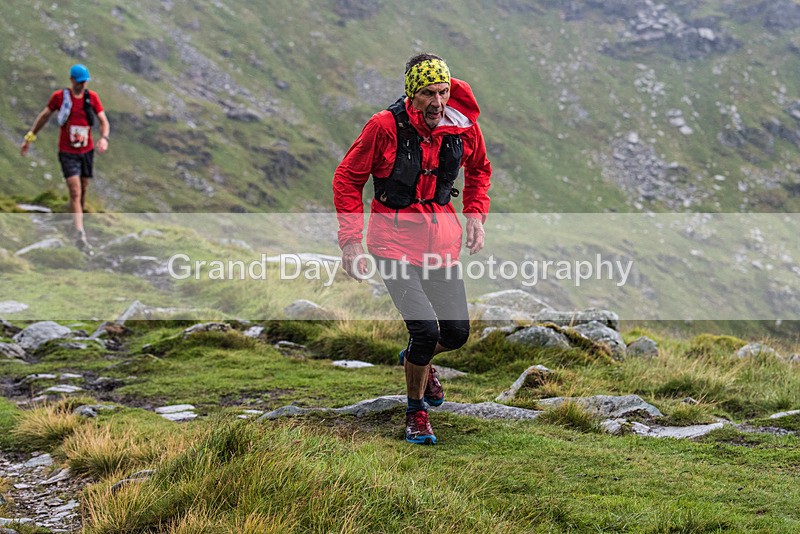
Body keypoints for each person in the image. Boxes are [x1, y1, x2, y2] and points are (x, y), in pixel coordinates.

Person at [333, 53, 491, 445]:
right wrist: (351, 241)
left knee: (455, 334)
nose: (438, 102)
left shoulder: (462, 126)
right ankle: (415, 413)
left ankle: (417, 360)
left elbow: (480, 169)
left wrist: (474, 215)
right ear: (411, 95)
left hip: (441, 242)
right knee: (423, 330)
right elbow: (347, 179)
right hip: (392, 243)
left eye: (443, 91)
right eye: (427, 93)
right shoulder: (383, 127)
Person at [20, 63, 110, 251]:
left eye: (85, 82)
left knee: (84, 189)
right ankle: (79, 234)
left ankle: (77, 221)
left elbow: (103, 120)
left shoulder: (91, 98)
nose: (82, 85)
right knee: (75, 191)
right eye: (79, 82)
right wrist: (30, 137)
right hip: (67, 152)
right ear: (71, 80)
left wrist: (104, 138)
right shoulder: (60, 98)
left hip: (86, 151)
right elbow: (44, 116)